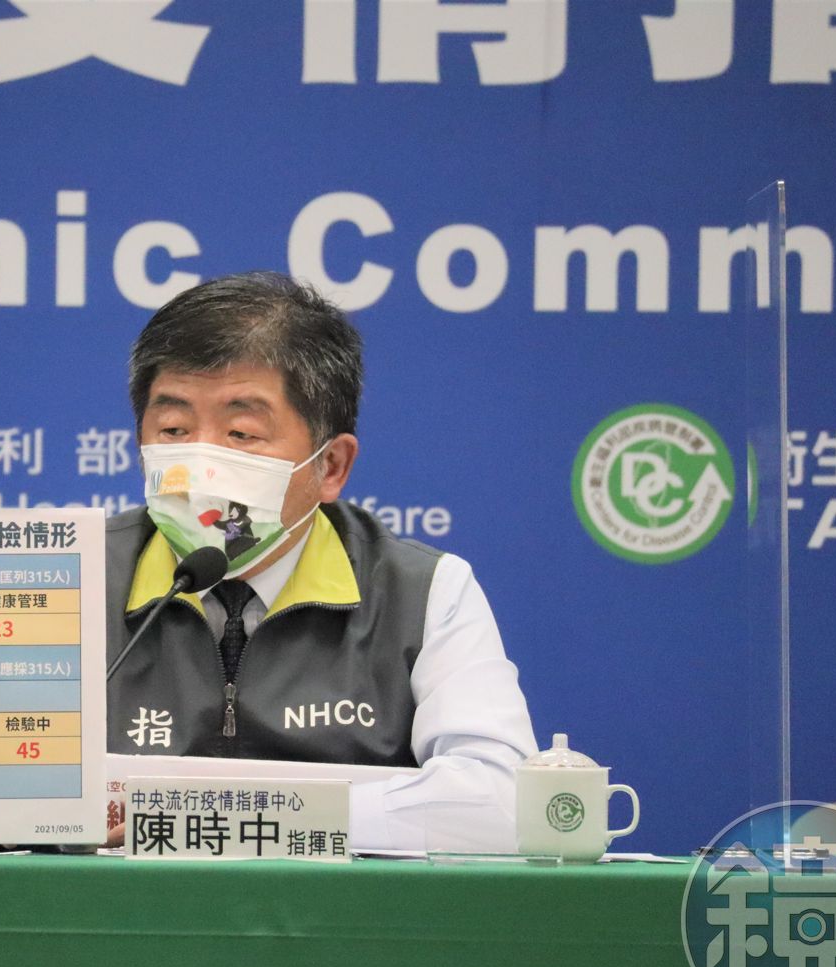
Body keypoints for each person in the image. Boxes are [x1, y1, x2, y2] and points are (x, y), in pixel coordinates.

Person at [105, 271, 538, 852]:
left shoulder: (421, 592)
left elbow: (503, 802)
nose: (199, 462)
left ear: (330, 466)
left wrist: (215, 820)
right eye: (174, 428)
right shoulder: (72, 579)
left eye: (241, 433)